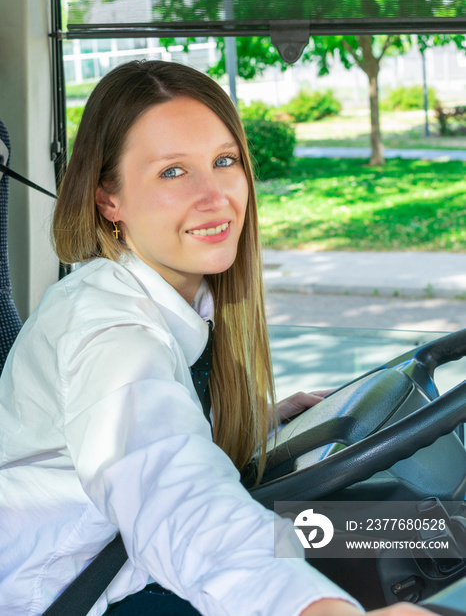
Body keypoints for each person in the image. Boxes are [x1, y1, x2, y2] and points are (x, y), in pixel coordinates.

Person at [0, 60, 430, 616]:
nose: (215, 196)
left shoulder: (176, 302)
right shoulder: (106, 331)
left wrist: (259, 419)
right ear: (109, 199)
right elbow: (171, 491)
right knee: (421, 536)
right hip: (86, 594)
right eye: (172, 172)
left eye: (224, 161)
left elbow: (163, 426)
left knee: (425, 533)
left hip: (133, 563)